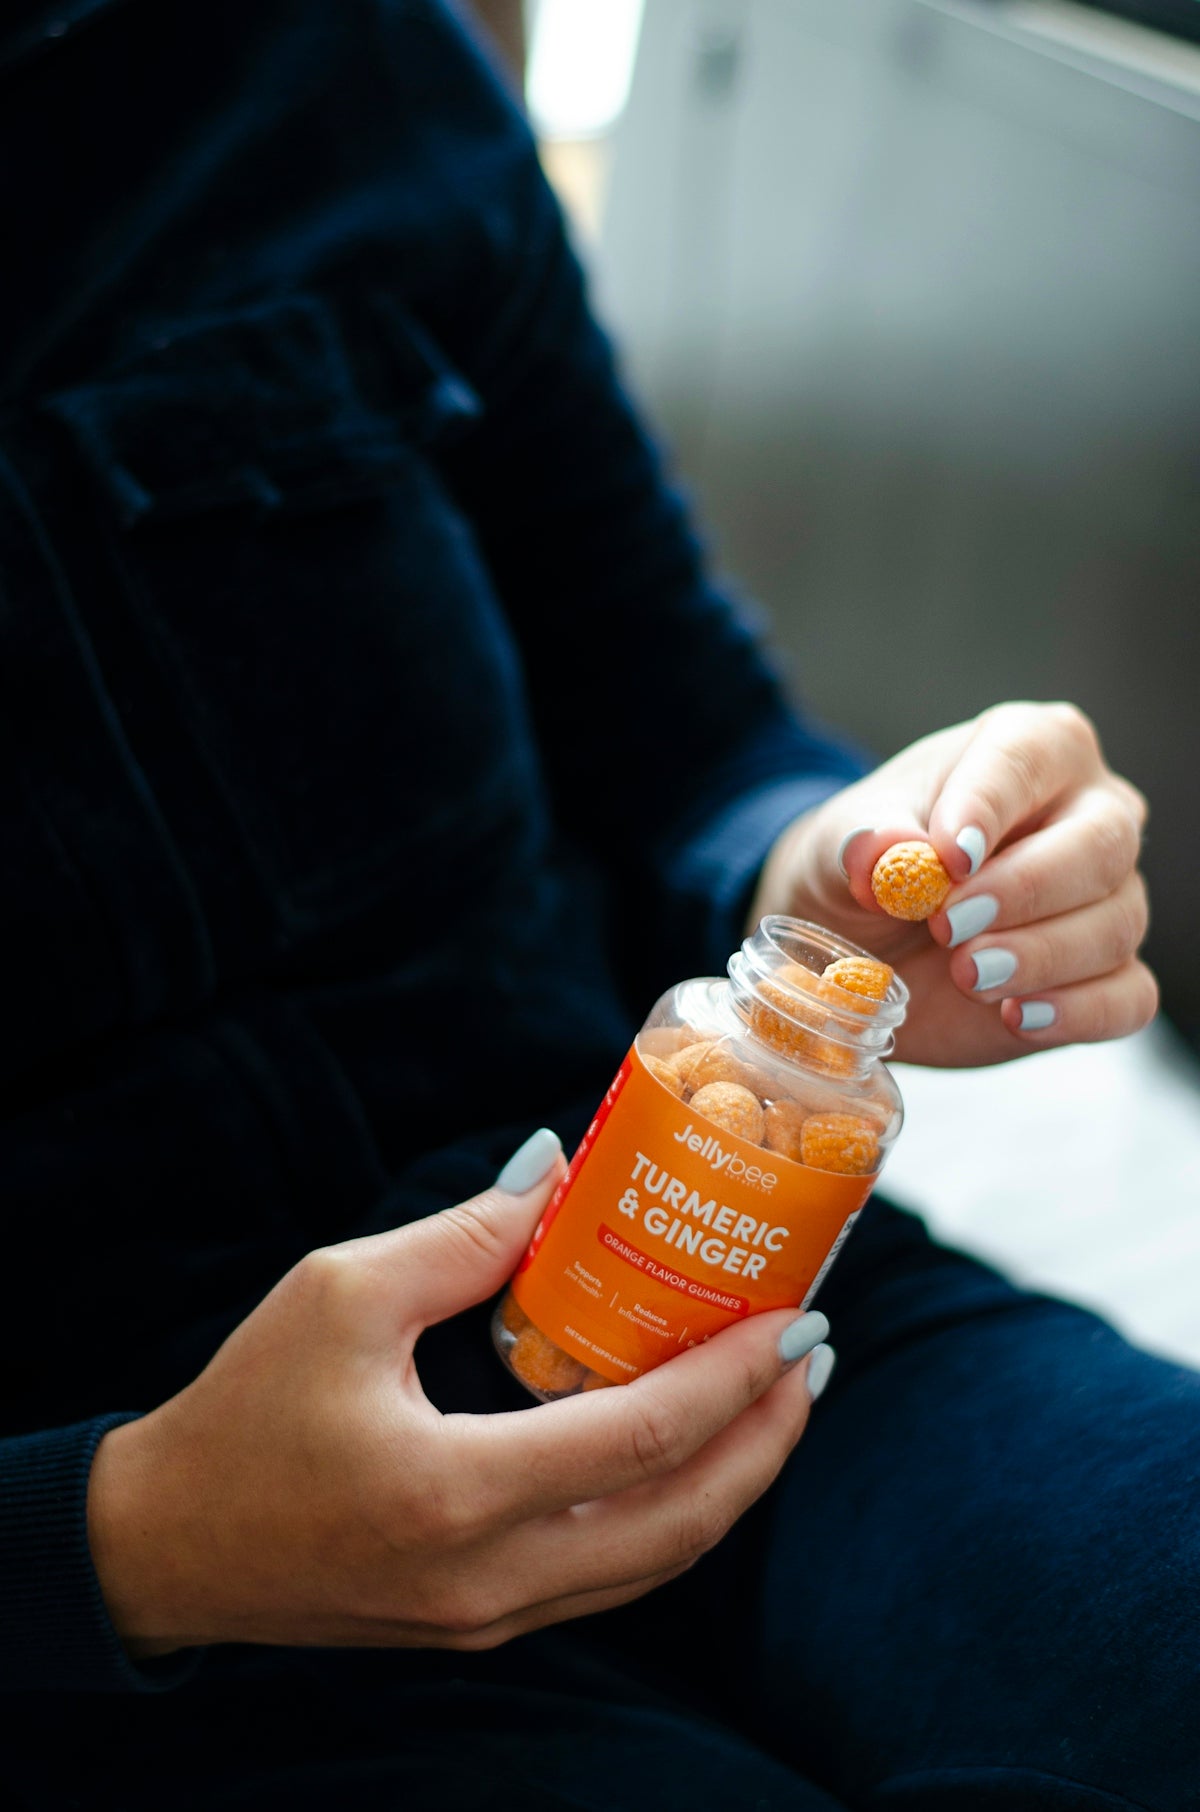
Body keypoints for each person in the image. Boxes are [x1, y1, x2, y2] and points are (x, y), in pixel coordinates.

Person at [1, 2, 1194, 1807]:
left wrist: (827, 874)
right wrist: (120, 1541)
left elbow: (687, 726)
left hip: (743, 1314)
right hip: (150, 1591)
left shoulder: (322, 59)